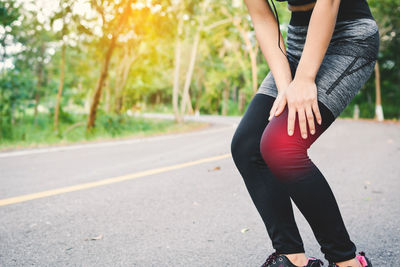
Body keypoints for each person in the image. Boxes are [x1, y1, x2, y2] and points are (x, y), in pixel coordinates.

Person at [230, 0, 379, 266]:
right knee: (247, 146)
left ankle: (346, 261)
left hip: (347, 38)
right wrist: (287, 85)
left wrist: (306, 78)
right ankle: (292, 257)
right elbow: (264, 19)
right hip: (298, 43)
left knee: (281, 146)